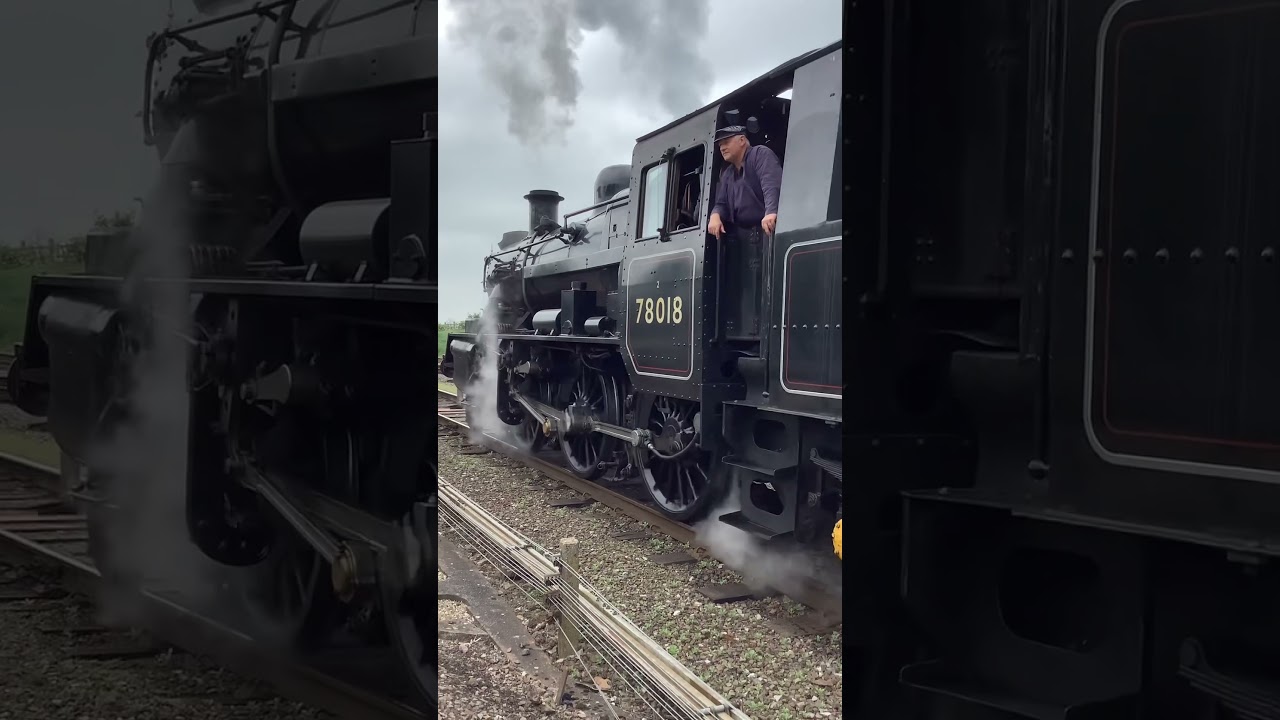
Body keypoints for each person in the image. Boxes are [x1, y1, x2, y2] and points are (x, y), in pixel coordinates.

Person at [707, 124, 783, 240]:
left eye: (726, 142)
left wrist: (771, 212)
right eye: (720, 145)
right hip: (742, 238)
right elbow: (721, 203)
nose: (722, 148)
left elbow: (770, 185)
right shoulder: (728, 173)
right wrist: (715, 215)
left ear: (742, 140)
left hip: (767, 232)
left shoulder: (760, 154)